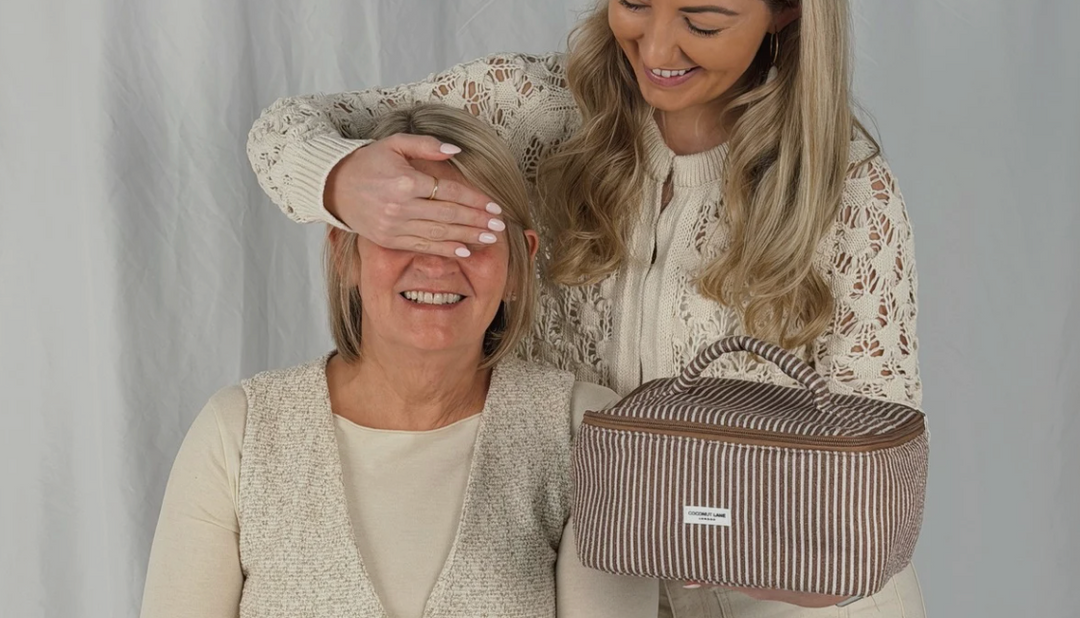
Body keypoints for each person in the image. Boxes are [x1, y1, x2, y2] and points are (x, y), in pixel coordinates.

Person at [244, 0, 926, 615]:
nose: (656, 50)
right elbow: (284, 129)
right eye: (634, 3)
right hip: (585, 586)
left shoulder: (850, 190)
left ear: (785, 13)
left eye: (704, 21)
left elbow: (881, 451)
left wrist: (810, 563)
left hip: (790, 600)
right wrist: (340, 178)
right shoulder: (532, 107)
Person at [140, 104, 659, 618]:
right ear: (346, 251)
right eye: (406, 229)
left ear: (518, 267)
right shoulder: (239, 433)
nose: (435, 263)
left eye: (469, 233)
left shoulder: (588, 432)